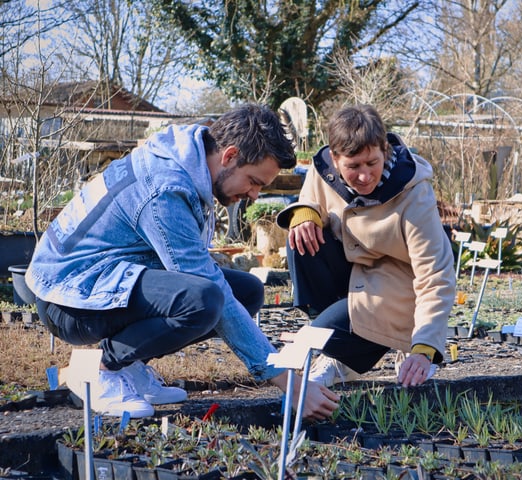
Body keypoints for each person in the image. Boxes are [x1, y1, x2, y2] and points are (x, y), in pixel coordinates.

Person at [26, 104, 339, 419]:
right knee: (203, 300)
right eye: (254, 181)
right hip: (69, 300)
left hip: (102, 281)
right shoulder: (167, 189)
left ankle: (128, 366)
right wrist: (288, 381)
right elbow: (204, 284)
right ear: (229, 156)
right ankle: (97, 369)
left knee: (247, 292)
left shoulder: (187, 161)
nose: (255, 195)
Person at [277, 104, 456, 388]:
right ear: (335, 159)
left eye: (372, 163)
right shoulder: (323, 169)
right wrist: (304, 214)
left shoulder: (414, 193)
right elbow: (311, 198)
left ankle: (374, 344)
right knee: (300, 235)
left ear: (384, 150)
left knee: (322, 333)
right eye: (353, 166)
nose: (365, 176)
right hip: (353, 272)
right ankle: (335, 350)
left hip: (397, 283)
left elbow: (435, 276)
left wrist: (425, 347)